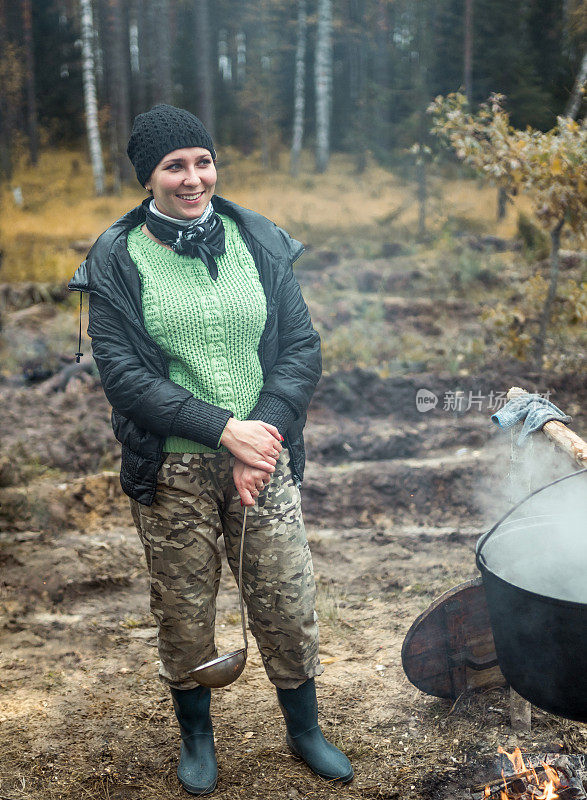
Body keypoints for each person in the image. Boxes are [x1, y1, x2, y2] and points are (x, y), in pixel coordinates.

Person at [68, 104, 353, 795]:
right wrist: (225, 432)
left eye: (202, 161)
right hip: (172, 469)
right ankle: (197, 737)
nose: (192, 178)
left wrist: (260, 439)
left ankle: (304, 729)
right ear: (148, 178)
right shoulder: (116, 259)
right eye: (174, 166)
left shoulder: (257, 239)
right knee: (185, 611)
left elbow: (300, 349)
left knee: (285, 599)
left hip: (264, 454)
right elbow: (125, 378)